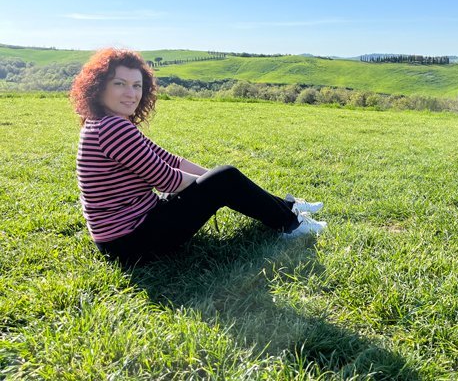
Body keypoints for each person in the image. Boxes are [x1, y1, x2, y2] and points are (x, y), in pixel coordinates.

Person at [70, 48, 326, 266]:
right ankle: (291, 223)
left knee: (222, 179)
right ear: (98, 87)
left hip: (128, 234)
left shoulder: (105, 123)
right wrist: (219, 185)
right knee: (225, 177)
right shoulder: (112, 128)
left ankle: (285, 208)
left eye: (137, 85)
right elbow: (167, 180)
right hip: (131, 243)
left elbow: (169, 159)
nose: (131, 93)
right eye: (120, 84)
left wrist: (215, 182)